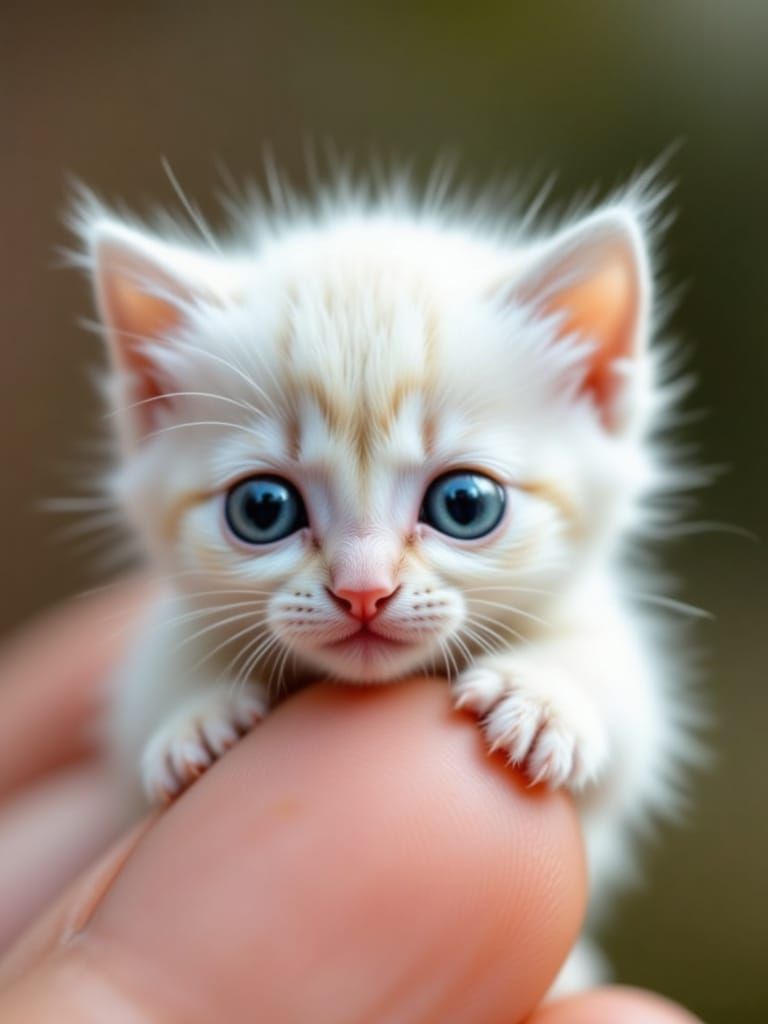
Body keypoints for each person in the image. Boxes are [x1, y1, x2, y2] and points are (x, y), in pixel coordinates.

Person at [0, 581, 700, 1022]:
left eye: (463, 503)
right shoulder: (183, 636)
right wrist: (185, 719)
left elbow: (620, 728)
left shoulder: (578, 619)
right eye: (267, 510)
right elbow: (136, 737)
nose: (364, 585)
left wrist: (565, 696)